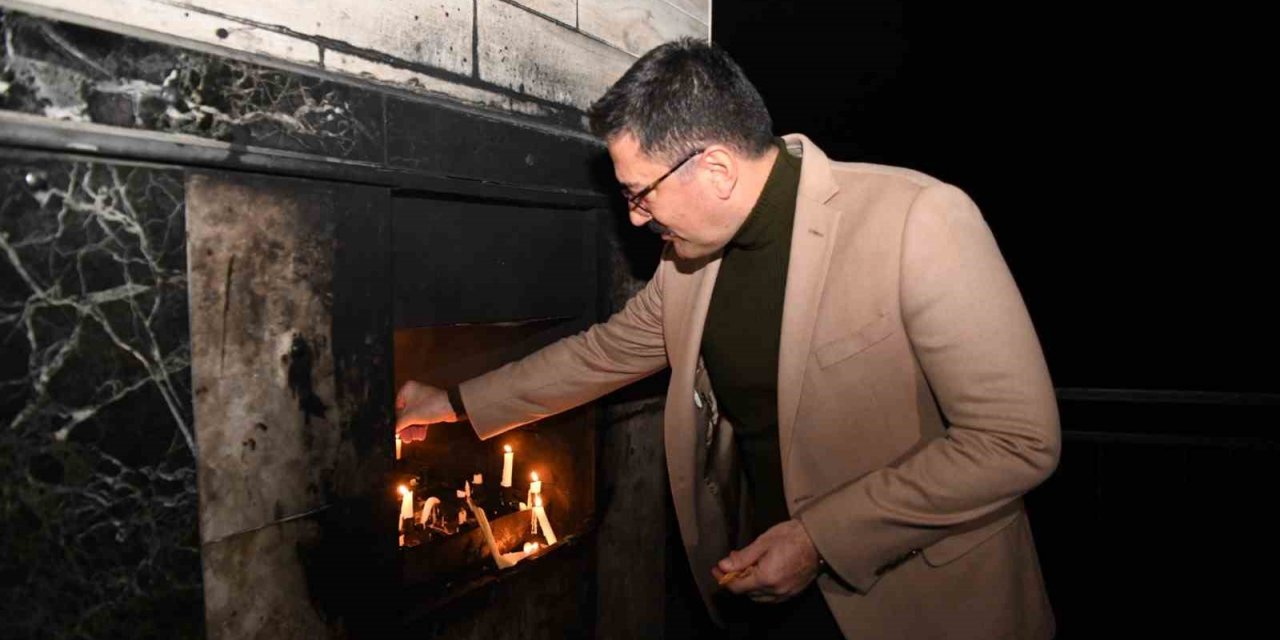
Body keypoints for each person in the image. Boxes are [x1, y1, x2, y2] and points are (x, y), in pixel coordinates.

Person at [396, 37, 1059, 640]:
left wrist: (819, 539)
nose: (634, 217)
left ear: (716, 169)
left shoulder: (919, 218)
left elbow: (1015, 441)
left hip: (924, 602)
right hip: (778, 586)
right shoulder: (690, 261)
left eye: (639, 193)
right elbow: (601, 353)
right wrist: (453, 404)